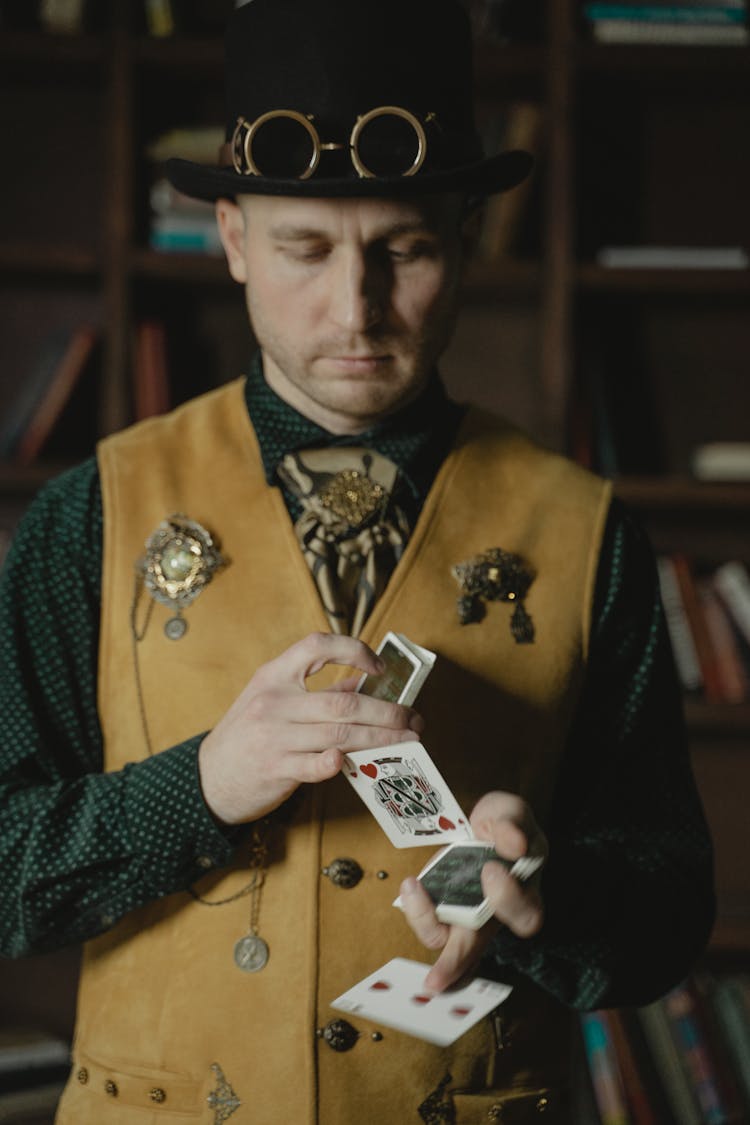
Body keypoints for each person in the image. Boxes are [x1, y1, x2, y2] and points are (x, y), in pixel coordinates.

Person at [0, 1, 714, 1122]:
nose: (357, 308)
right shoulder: (90, 511)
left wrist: (550, 890)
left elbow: (671, 914)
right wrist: (197, 789)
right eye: (304, 249)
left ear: (468, 234)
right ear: (232, 238)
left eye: (406, 249)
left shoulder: (588, 528)